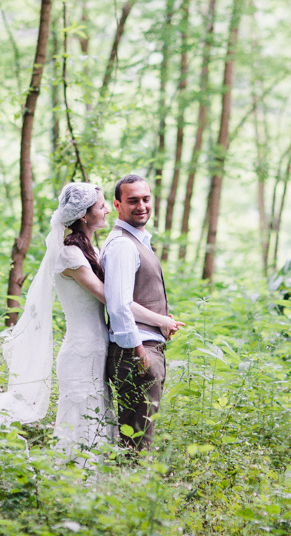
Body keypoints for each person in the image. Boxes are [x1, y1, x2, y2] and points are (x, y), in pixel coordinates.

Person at [0, 182, 176, 459]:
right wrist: (160, 320)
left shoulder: (89, 251)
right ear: (84, 215)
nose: (108, 210)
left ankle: (93, 487)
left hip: (98, 348)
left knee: (99, 423)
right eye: (101, 206)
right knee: (80, 421)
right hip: (81, 351)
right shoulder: (70, 255)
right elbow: (113, 300)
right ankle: (71, 480)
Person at [103, 174, 181, 453]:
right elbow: (119, 305)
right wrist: (139, 351)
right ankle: (129, 492)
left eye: (146, 199)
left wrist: (161, 322)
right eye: (132, 200)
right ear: (117, 204)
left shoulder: (137, 241)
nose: (142, 206)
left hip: (144, 350)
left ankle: (129, 489)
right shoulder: (123, 244)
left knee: (138, 441)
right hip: (136, 353)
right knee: (136, 446)